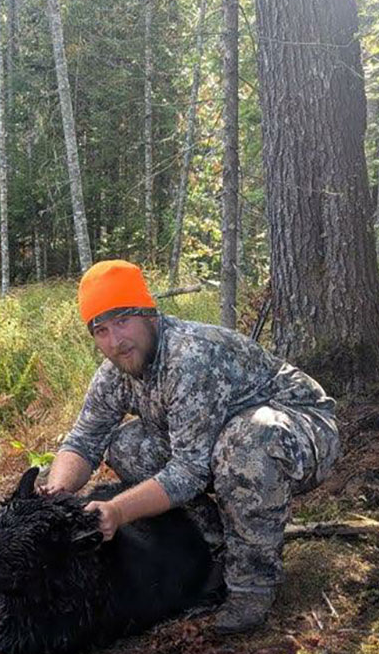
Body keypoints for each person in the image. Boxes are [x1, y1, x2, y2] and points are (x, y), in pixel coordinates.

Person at [39, 259, 340, 634]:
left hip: (302, 430)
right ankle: (215, 544)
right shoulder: (115, 374)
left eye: (123, 321)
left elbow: (189, 472)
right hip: (220, 440)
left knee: (247, 441)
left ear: (149, 314)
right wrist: (57, 492)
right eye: (101, 330)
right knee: (127, 445)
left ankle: (252, 585)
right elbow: (84, 439)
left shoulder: (189, 356)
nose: (116, 341)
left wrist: (117, 511)